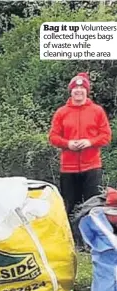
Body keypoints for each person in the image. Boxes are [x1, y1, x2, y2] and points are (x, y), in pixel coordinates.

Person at [49, 72, 111, 247]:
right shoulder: (62, 113)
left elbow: (106, 136)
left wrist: (89, 142)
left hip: (92, 166)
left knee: (94, 205)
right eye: (75, 88)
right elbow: (53, 137)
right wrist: (68, 143)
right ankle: (72, 242)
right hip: (68, 168)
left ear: (87, 92)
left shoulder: (97, 111)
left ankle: (94, 241)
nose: (78, 91)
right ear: (70, 92)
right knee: (69, 205)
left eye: (82, 88)